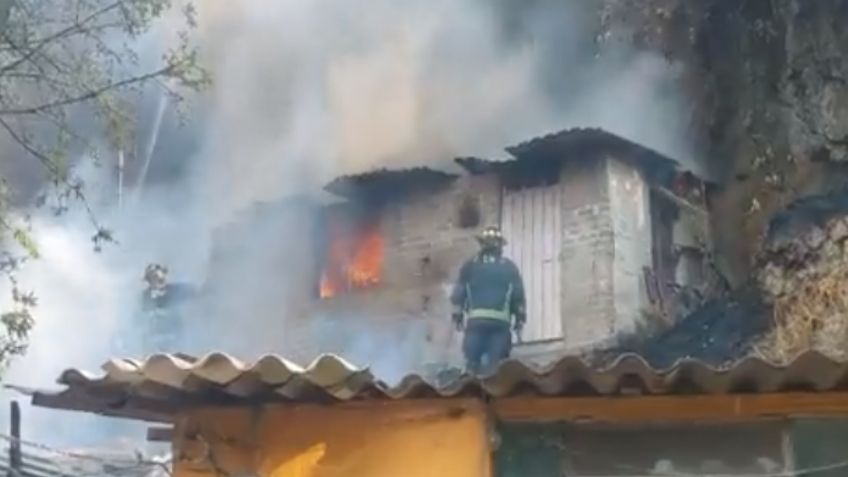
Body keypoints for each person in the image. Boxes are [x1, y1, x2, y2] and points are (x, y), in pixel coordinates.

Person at [450, 226, 526, 375]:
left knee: (472, 365)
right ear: (499, 246)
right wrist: (519, 320)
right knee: (496, 368)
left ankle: (472, 387)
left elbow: (459, 293)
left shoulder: (470, 265)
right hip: (500, 325)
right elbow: (519, 297)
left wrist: (457, 316)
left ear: (483, 244)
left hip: (476, 323)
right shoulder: (509, 267)